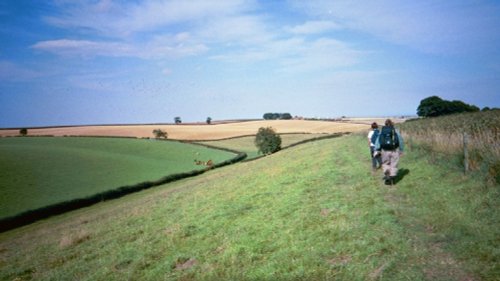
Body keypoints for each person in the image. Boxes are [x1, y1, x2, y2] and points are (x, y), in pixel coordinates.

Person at [375, 119, 404, 185]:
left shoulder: (382, 131)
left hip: (385, 150)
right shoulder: (395, 130)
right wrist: (401, 149)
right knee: (394, 164)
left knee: (385, 163)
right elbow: (400, 140)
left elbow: (378, 141)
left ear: (385, 124)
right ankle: (392, 177)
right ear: (392, 124)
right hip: (394, 150)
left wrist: (377, 149)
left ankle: (387, 172)